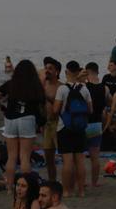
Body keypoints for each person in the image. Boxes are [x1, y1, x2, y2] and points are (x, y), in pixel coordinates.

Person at [0, 59, 45, 189]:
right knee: (25, 156)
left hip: (10, 119)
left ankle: (9, 186)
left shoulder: (12, 83)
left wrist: (1, 107)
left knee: (12, 156)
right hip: (27, 118)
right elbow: (40, 105)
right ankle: (26, 186)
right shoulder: (35, 85)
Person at [54, 61, 92, 197]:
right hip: (80, 128)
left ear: (66, 72)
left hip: (64, 127)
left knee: (67, 162)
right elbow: (90, 109)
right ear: (78, 72)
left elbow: (56, 109)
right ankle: (81, 190)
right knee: (80, 161)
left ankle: (66, 191)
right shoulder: (84, 89)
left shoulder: (62, 89)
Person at [82, 62, 109, 189]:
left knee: (80, 156)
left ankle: (81, 181)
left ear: (87, 72)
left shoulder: (83, 86)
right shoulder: (104, 88)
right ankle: (94, 182)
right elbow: (110, 102)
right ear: (97, 71)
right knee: (95, 156)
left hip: (83, 123)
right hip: (96, 124)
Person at [39, 57, 62, 182]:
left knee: (65, 156)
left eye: (50, 69)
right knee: (48, 157)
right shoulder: (43, 85)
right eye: (46, 68)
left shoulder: (61, 87)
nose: (47, 71)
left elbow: (60, 107)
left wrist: (46, 95)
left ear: (57, 72)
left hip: (59, 124)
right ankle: (52, 181)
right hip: (46, 124)